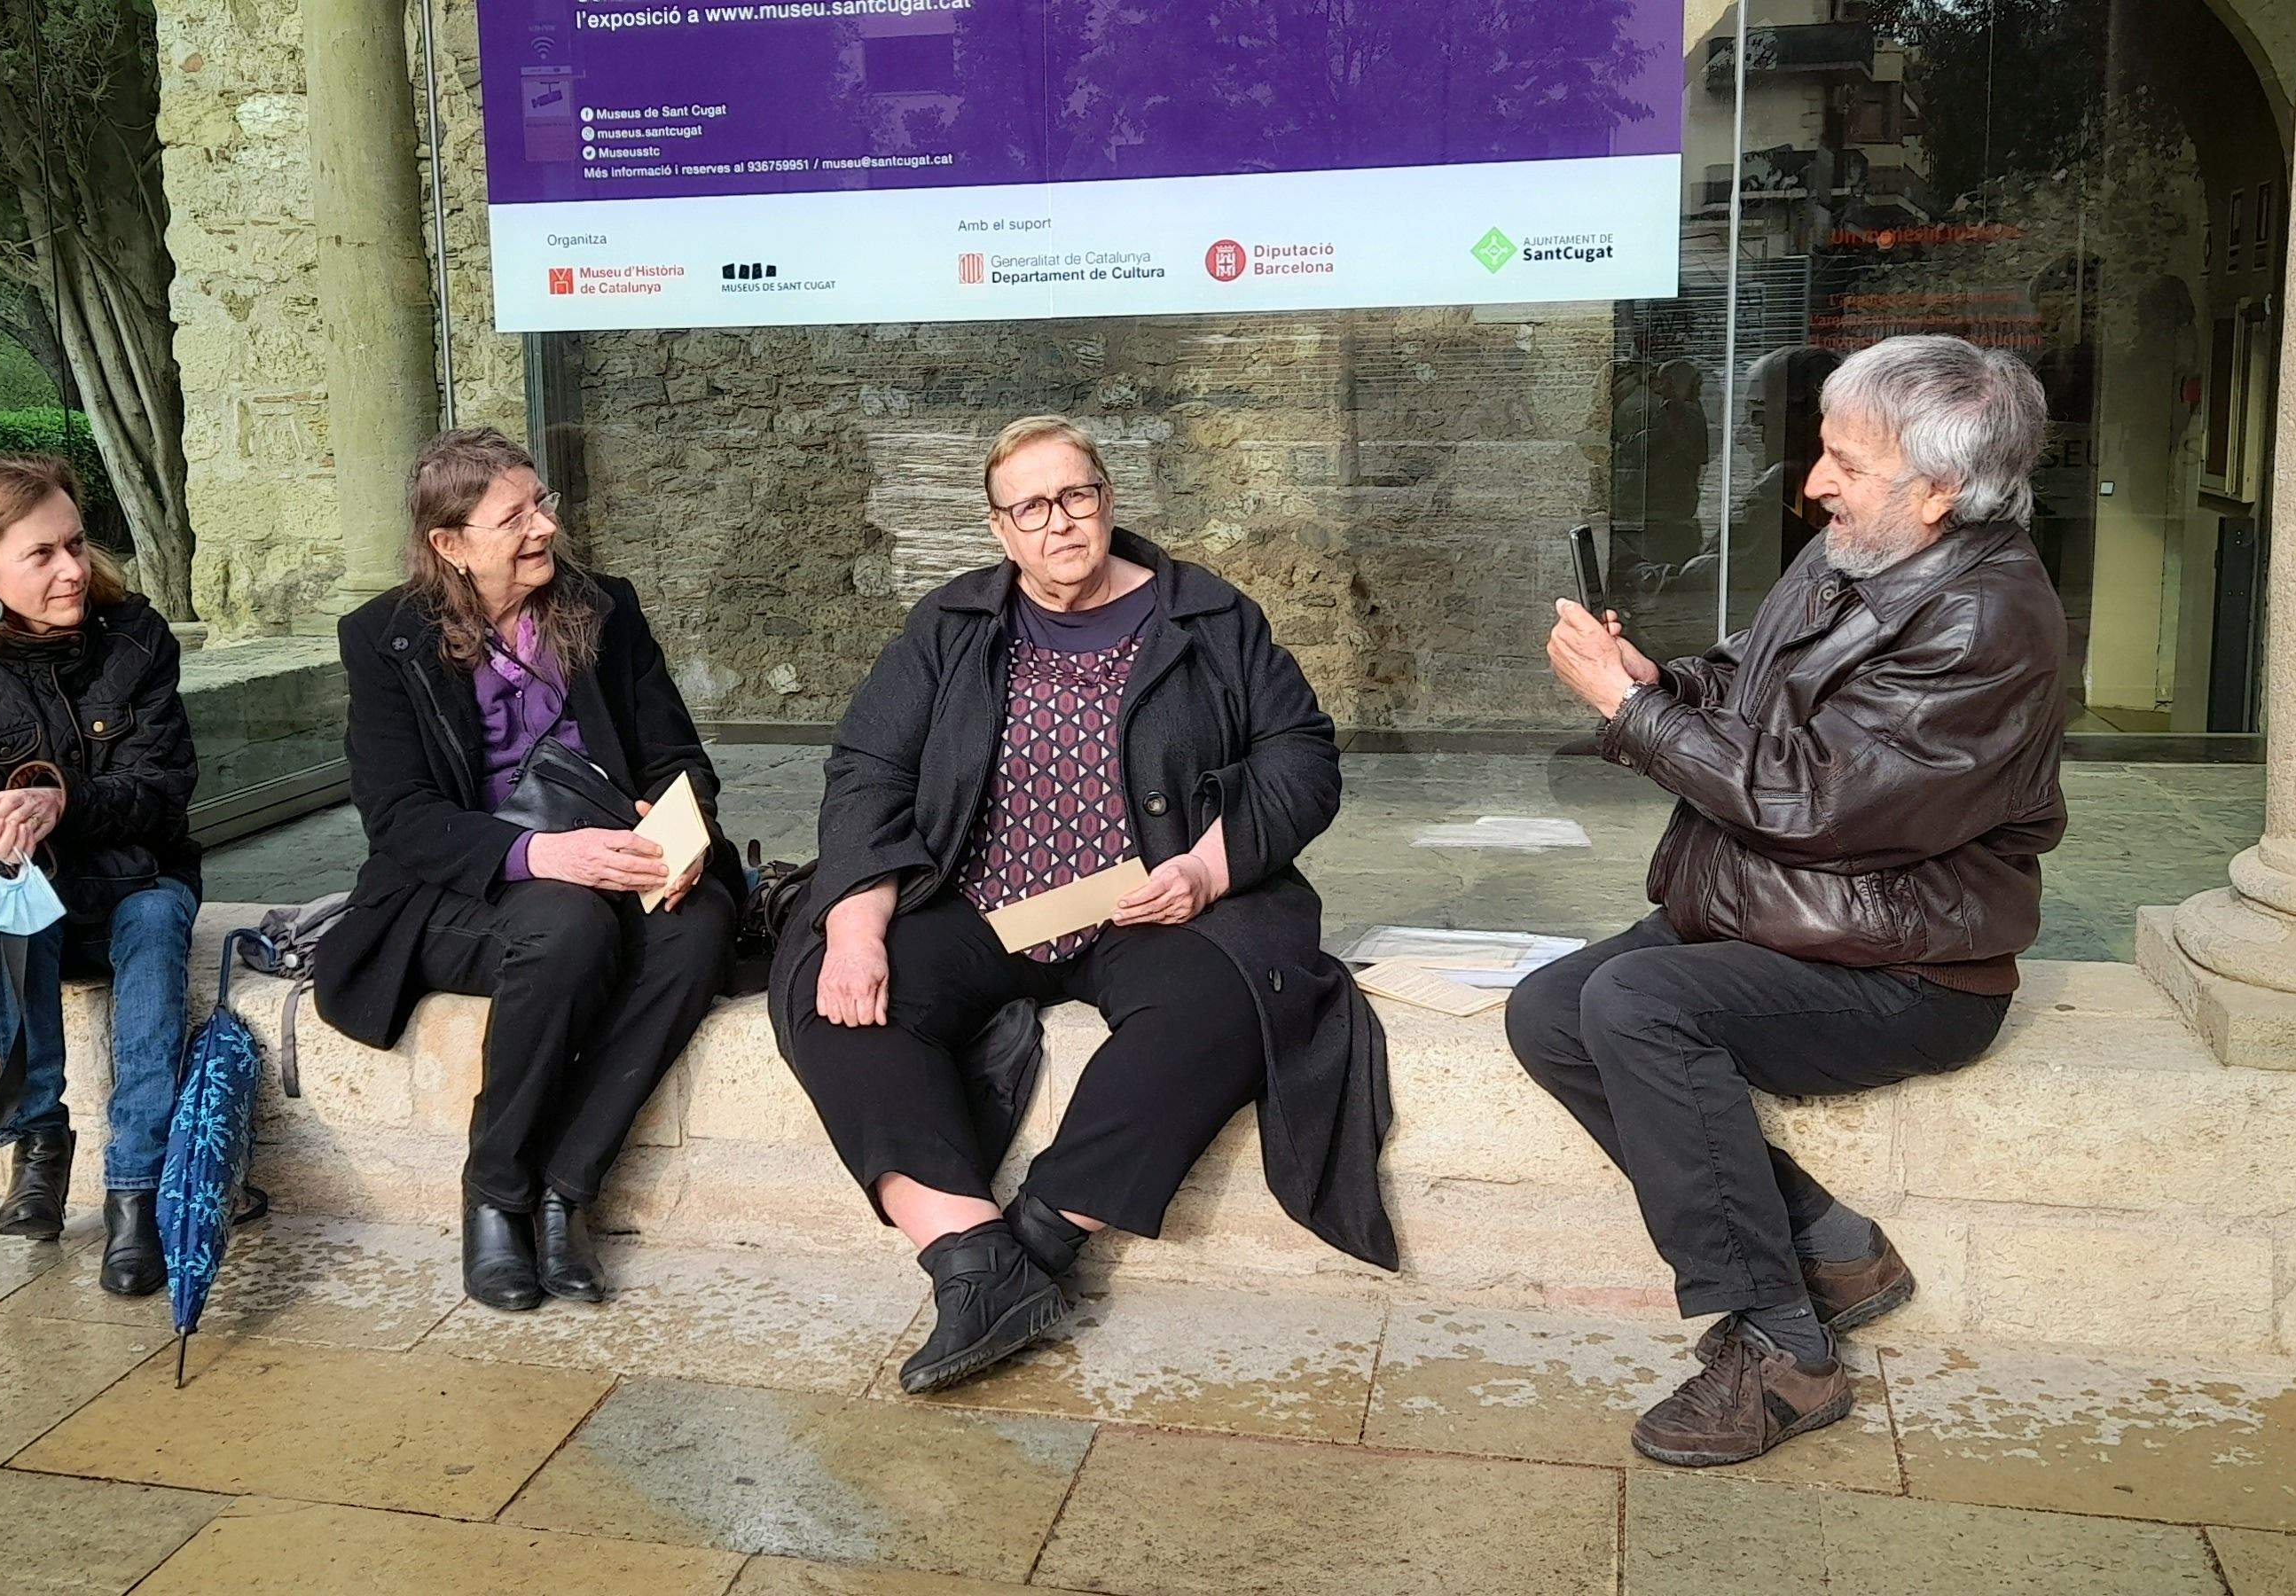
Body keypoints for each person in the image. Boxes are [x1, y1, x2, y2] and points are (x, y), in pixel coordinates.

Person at [1510, 334, 2069, 1467]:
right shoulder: (1859, 551)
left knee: (1636, 1004)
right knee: (1549, 1010)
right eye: (1822, 452)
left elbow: (1816, 802)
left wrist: (1633, 716)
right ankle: (1828, 1244)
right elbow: (1746, 680)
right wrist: (1662, 684)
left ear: (1943, 489)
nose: (1813, 483)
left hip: (1908, 968)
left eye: (1843, 463)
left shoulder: (1983, 619)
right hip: (1787, 918)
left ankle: (1782, 1353)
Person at [772, 414, 1396, 1396]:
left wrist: (1205, 868)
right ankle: (969, 1255)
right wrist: (855, 920)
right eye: (1032, 506)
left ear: (1107, 500)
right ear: (999, 529)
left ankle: (1040, 1236)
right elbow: (868, 769)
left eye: (1077, 496)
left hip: (1146, 903)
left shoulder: (1209, 617)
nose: (1059, 522)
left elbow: (1300, 758)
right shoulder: (951, 625)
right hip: (982, 901)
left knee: (1223, 1009)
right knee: (835, 994)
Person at [312, 426, 743, 1313]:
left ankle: (564, 1192)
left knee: (697, 931)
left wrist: (674, 831)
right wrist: (543, 854)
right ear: (449, 543)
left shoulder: (604, 610)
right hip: (462, 888)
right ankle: (498, 1194)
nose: (546, 524)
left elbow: (677, 756)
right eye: (515, 516)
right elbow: (399, 817)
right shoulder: (384, 637)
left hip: (611, 855)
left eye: (541, 503)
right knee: (565, 926)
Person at [0, 454, 203, 1297]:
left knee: (154, 922)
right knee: (1, 912)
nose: (72, 569)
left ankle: (137, 1191)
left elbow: (164, 790)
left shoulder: (134, 636)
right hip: (18, 896)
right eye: (41, 555)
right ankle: (37, 1139)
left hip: (133, 877)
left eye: (75, 543)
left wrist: (57, 802)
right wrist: (1, 831)